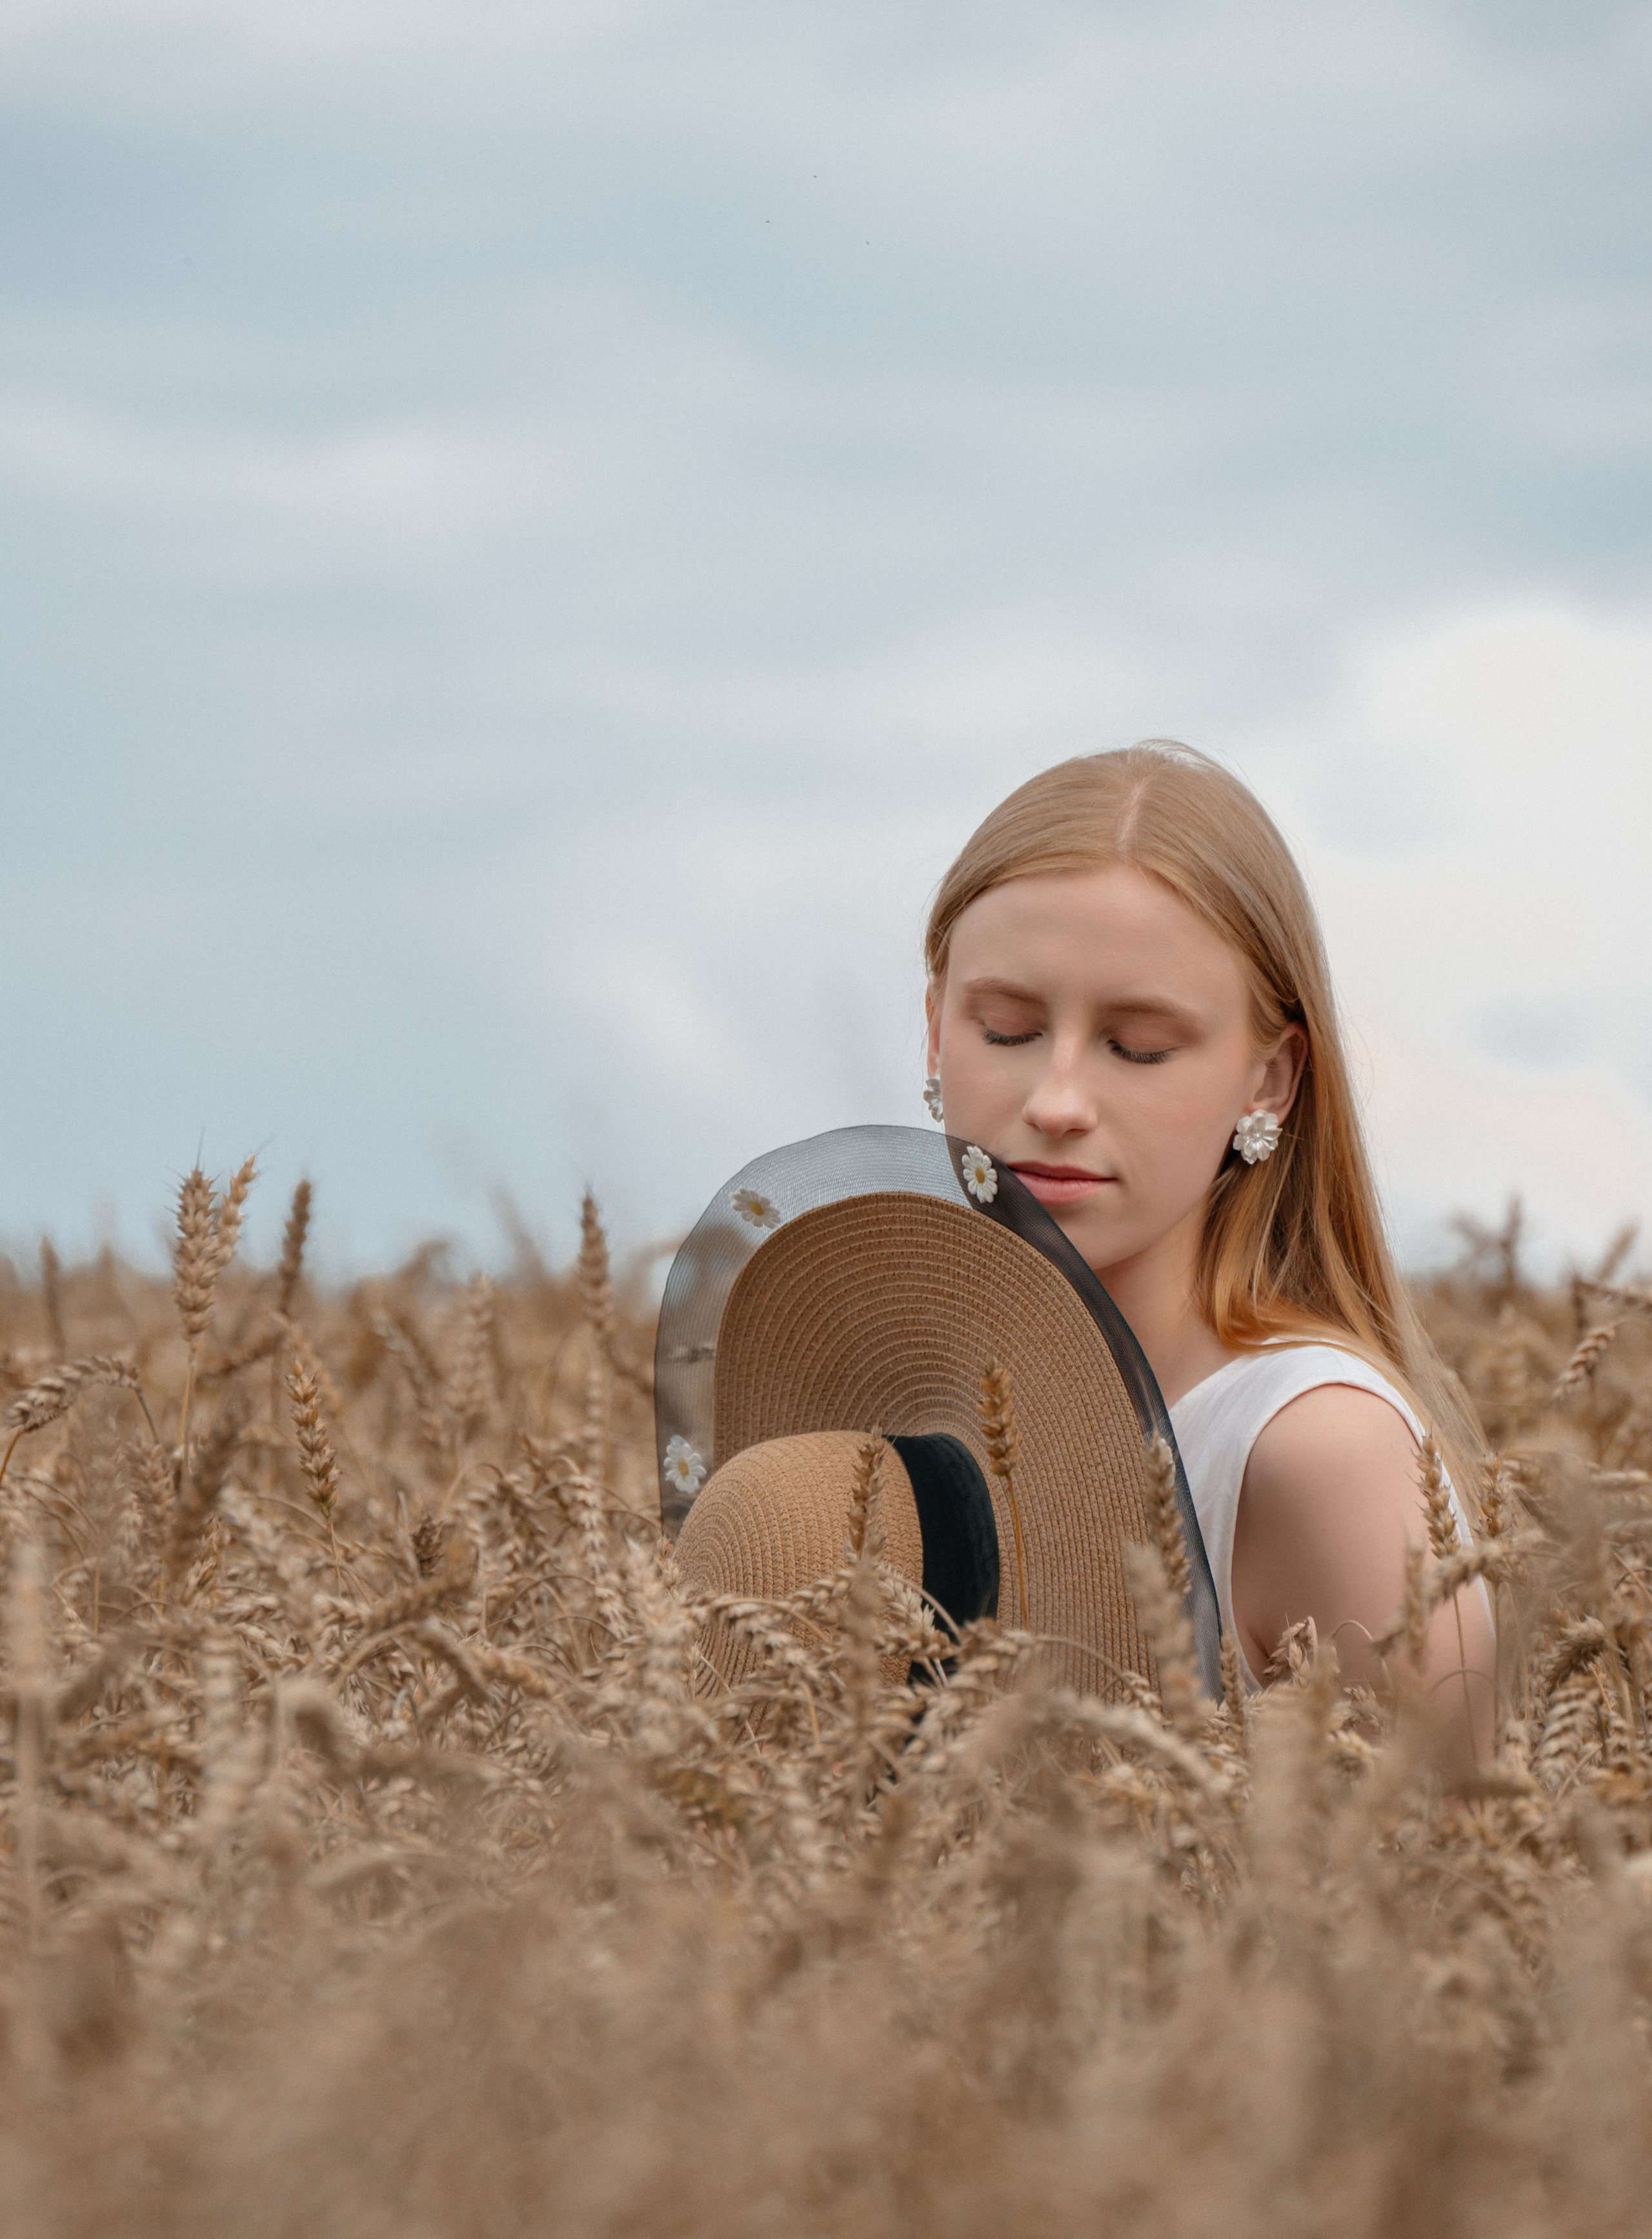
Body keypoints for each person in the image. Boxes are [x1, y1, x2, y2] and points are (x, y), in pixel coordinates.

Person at [922, 741, 1496, 1752]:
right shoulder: (910, 1412)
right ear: (935, 1034)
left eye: (1138, 1046)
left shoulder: (1319, 1454)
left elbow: (1469, 1883)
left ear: (1269, 1081)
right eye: (1006, 1029)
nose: (1055, 1102)